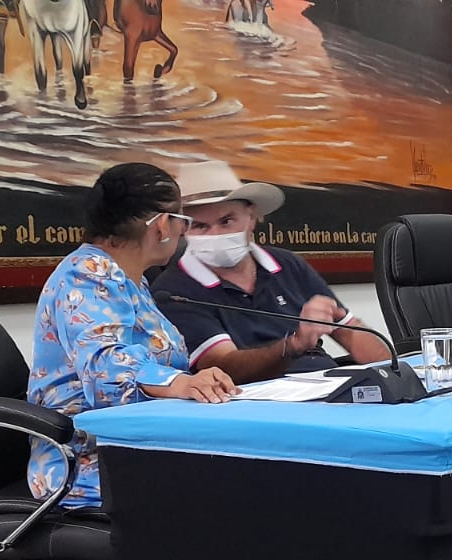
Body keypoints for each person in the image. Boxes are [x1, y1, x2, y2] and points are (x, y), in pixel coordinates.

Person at [27, 163, 240, 508]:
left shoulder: (130, 280)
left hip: (141, 443)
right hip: (89, 461)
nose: (184, 232)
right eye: (183, 220)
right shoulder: (87, 274)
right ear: (162, 226)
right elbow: (105, 367)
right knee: (237, 490)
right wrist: (181, 383)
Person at [151, 161, 392, 384]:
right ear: (183, 229)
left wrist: (396, 378)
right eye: (200, 226)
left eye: (227, 221)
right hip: (255, 405)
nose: (216, 235)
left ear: (252, 217)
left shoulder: (288, 263)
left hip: (328, 387)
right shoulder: (174, 291)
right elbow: (222, 366)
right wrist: (294, 344)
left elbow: (352, 334)